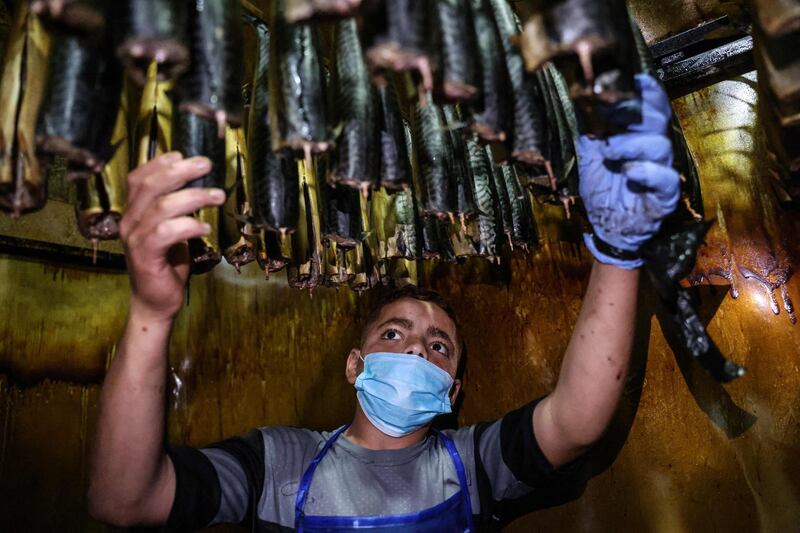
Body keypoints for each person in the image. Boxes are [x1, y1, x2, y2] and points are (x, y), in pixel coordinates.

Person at [88, 74, 680, 531]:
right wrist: (152, 312)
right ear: (355, 365)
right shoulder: (276, 463)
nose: (417, 345)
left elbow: (578, 418)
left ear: (452, 391)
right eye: (393, 334)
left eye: (438, 346)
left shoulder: (475, 465)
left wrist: (617, 250)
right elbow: (123, 498)